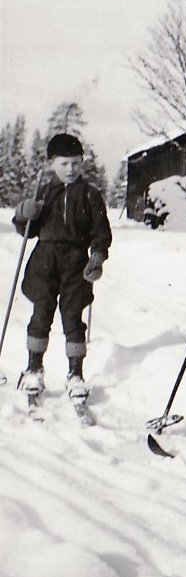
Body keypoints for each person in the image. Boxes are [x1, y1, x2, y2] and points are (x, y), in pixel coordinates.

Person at [13, 133, 112, 402]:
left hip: (75, 262)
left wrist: (97, 257)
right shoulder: (44, 193)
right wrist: (24, 213)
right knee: (41, 312)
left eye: (75, 163)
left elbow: (101, 233)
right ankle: (34, 368)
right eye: (64, 164)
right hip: (44, 259)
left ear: (82, 163)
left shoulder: (91, 195)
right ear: (51, 164)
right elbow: (27, 231)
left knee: (72, 316)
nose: (70, 169)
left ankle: (75, 374)